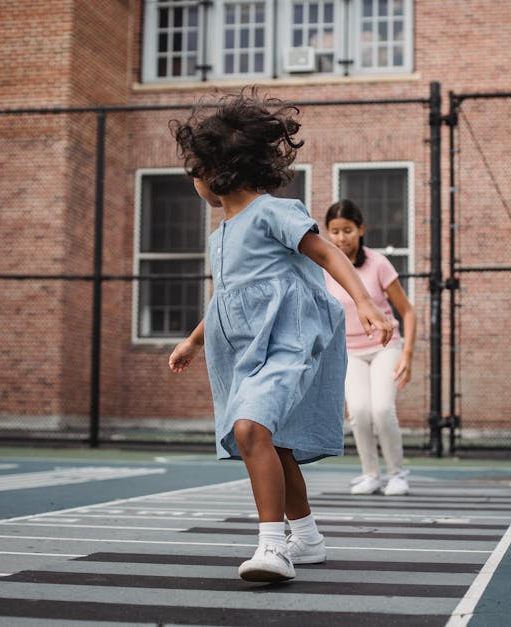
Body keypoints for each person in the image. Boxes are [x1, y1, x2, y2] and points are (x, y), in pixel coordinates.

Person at [167, 89, 393, 583]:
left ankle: (273, 547)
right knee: (276, 443)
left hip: (287, 341)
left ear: (217, 173)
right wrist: (194, 339)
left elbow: (328, 255)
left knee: (251, 431)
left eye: (194, 173)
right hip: (242, 351)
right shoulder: (219, 236)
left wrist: (365, 302)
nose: (194, 183)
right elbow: (226, 296)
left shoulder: (274, 212)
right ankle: (308, 539)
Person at [324, 200, 416, 496]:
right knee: (360, 412)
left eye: (348, 230)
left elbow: (408, 311)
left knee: (382, 409)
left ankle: (398, 474)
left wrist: (407, 355)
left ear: (361, 230)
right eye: (335, 232)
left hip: (384, 347)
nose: (341, 238)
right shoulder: (325, 269)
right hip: (349, 352)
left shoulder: (378, 264)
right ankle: (370, 474)